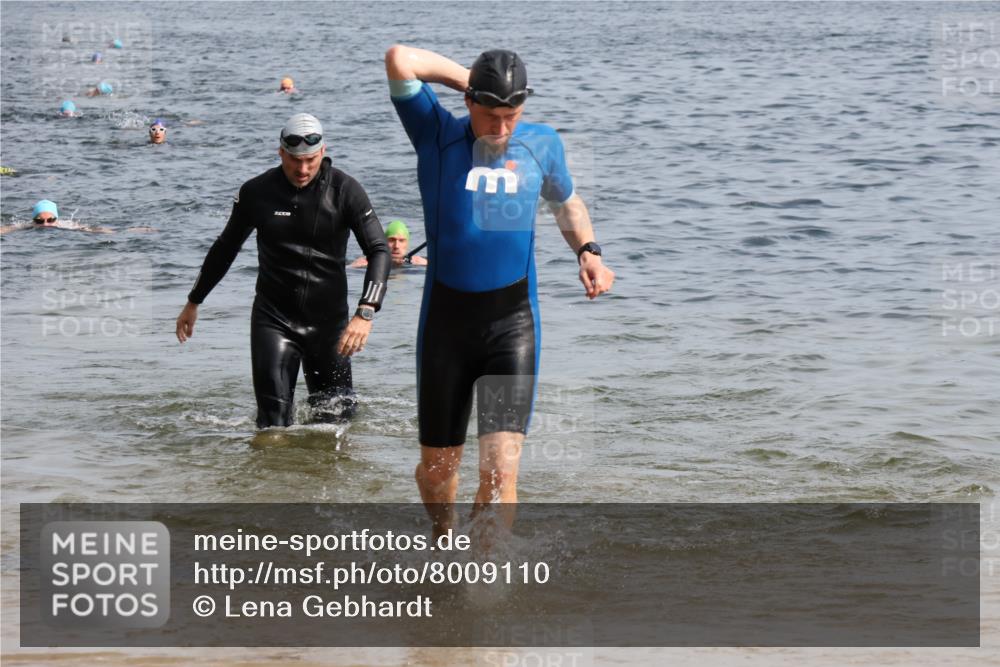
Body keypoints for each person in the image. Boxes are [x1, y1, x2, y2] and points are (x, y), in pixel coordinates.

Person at [385, 45, 615, 534]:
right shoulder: (437, 135)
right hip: (446, 326)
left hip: (512, 326)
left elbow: (567, 205)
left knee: (500, 471)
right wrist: (467, 79)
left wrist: (589, 251)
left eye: (512, 114)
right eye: (491, 115)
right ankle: (444, 541)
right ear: (469, 101)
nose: (502, 128)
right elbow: (399, 58)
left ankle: (486, 586)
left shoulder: (542, 144)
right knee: (438, 473)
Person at [174, 113, 391, 429]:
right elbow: (225, 249)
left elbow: (379, 250)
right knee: (272, 426)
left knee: (336, 426)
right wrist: (194, 301)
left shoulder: (346, 191)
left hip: (330, 326)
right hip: (274, 321)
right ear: (280, 153)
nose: (302, 169)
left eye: (310, 160)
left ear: (322, 152)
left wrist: (366, 312)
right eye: (294, 160)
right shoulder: (257, 192)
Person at [0, 200, 118, 235]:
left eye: (50, 220)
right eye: (39, 220)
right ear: (33, 220)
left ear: (56, 219)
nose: (45, 224)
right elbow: (7, 229)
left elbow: (91, 229)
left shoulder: (66, 225)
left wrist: (111, 232)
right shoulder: (26, 226)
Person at [351, 220, 426, 267]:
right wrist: (353, 266)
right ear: (384, 241)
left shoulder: (420, 263)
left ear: (407, 244)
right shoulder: (367, 263)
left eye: (401, 240)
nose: (396, 246)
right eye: (392, 240)